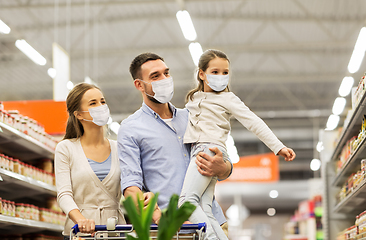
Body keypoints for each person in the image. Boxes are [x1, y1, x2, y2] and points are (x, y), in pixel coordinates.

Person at [178, 49, 296, 239]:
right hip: (203, 150)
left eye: (225, 72)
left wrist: (278, 147)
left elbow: (253, 121)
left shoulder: (228, 98)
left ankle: (210, 238)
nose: (221, 76)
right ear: (202, 73)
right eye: (215, 72)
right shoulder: (193, 98)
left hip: (208, 150)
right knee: (205, 209)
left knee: (186, 203)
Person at [118, 52, 232, 234]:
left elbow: (224, 167)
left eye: (166, 73)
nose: (164, 79)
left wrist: (223, 167)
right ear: (139, 85)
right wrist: (160, 218)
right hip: (172, 230)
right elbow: (131, 189)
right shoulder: (131, 128)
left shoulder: (192, 116)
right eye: (155, 76)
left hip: (213, 223)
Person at [55, 83, 126, 239]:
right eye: (93, 103)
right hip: (80, 233)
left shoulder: (119, 148)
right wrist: (81, 220)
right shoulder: (66, 148)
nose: (101, 106)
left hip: (115, 231)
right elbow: (64, 194)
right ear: (79, 114)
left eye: (102, 101)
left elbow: (131, 187)